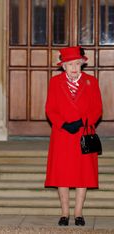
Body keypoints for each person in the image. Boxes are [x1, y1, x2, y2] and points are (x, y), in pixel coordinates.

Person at [45, 46, 102, 226]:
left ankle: (78, 213)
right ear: (63, 66)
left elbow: (98, 109)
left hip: (83, 134)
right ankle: (64, 213)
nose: (74, 68)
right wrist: (63, 124)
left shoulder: (91, 82)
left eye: (77, 64)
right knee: (62, 174)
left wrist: (82, 122)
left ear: (82, 64)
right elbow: (50, 109)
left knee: (82, 174)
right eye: (70, 64)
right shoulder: (55, 82)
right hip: (62, 135)